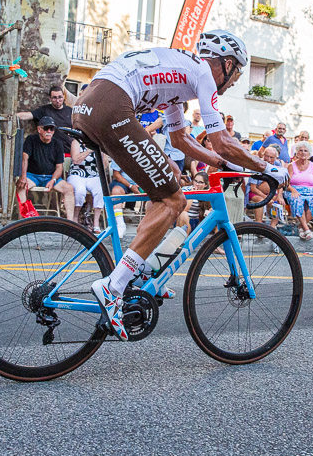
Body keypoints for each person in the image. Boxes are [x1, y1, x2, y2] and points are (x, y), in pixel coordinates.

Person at [71, 31, 282, 340]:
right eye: (236, 71)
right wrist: (267, 168)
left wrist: (227, 164)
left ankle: (137, 267)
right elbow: (222, 141)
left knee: (164, 188)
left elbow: (180, 139)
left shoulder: (181, 74)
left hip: (90, 103)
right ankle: (113, 287)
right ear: (224, 63)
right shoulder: (202, 73)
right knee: (174, 201)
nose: (235, 80)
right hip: (112, 105)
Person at [16, 118, 75, 220]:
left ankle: (71, 222)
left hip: (50, 177)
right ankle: (23, 220)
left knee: (69, 188)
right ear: (39, 129)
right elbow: (24, 158)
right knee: (21, 186)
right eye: (46, 128)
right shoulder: (31, 139)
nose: (49, 131)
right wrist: (23, 176)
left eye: (51, 129)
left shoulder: (57, 144)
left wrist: (53, 180)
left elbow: (59, 166)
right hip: (32, 175)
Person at [284, 141, 313, 240]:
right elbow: (286, 183)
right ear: (297, 153)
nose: (303, 153)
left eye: (306, 151)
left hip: (311, 192)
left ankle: (300, 227)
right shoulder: (291, 165)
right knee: (297, 200)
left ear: (309, 153)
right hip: (295, 191)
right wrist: (292, 189)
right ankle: (307, 229)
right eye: (301, 150)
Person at [17, 85, 74, 156]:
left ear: (63, 97)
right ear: (50, 98)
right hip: (50, 152)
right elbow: (27, 115)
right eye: (54, 98)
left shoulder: (70, 111)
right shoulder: (44, 110)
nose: (57, 100)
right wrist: (13, 116)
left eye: (60, 97)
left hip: (68, 151)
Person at [68, 136, 105, 232]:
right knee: (80, 191)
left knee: (100, 191)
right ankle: (75, 218)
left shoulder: (97, 144)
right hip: (77, 174)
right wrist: (89, 150)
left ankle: (96, 222)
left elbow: (104, 166)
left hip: (93, 175)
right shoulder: (76, 142)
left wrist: (102, 152)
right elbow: (75, 160)